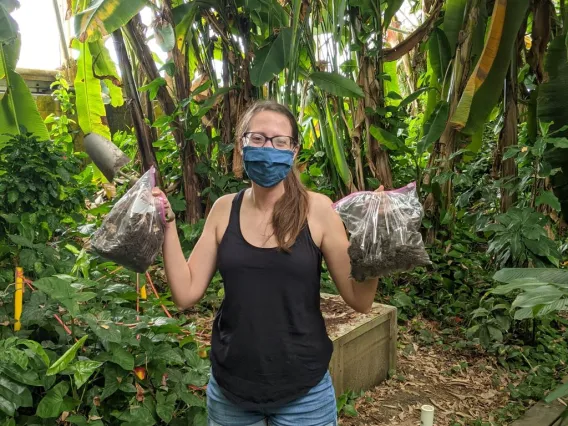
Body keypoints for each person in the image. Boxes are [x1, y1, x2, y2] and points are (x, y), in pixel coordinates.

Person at [152, 100, 381, 426]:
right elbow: (186, 292)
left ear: (294, 150)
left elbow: (360, 300)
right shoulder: (222, 210)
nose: (267, 148)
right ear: (241, 146)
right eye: (257, 139)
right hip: (232, 389)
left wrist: (377, 241)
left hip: (305, 393)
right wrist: (168, 225)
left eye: (278, 141)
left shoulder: (318, 210)